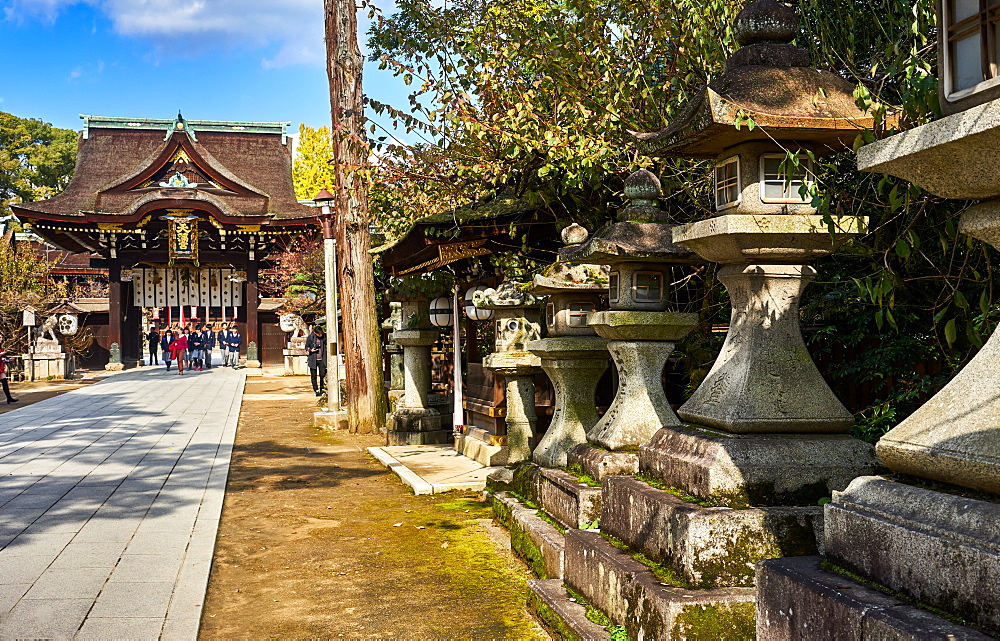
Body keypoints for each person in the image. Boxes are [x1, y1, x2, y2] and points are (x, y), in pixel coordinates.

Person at [304, 325, 327, 397]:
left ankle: (322, 388)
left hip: (322, 359)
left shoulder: (324, 336)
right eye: (318, 334)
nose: (320, 335)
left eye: (321, 334)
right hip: (313, 359)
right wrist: (311, 350)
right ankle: (316, 390)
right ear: (315, 333)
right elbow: (306, 347)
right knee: (313, 376)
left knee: (322, 374)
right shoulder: (310, 337)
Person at [0, 333, 18, 404]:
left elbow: (1, 358)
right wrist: (4, 353)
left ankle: (9, 398)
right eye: (0, 337)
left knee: (4, 382)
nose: (1, 339)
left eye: (1, 337)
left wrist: (8, 359)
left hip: (0, 367)